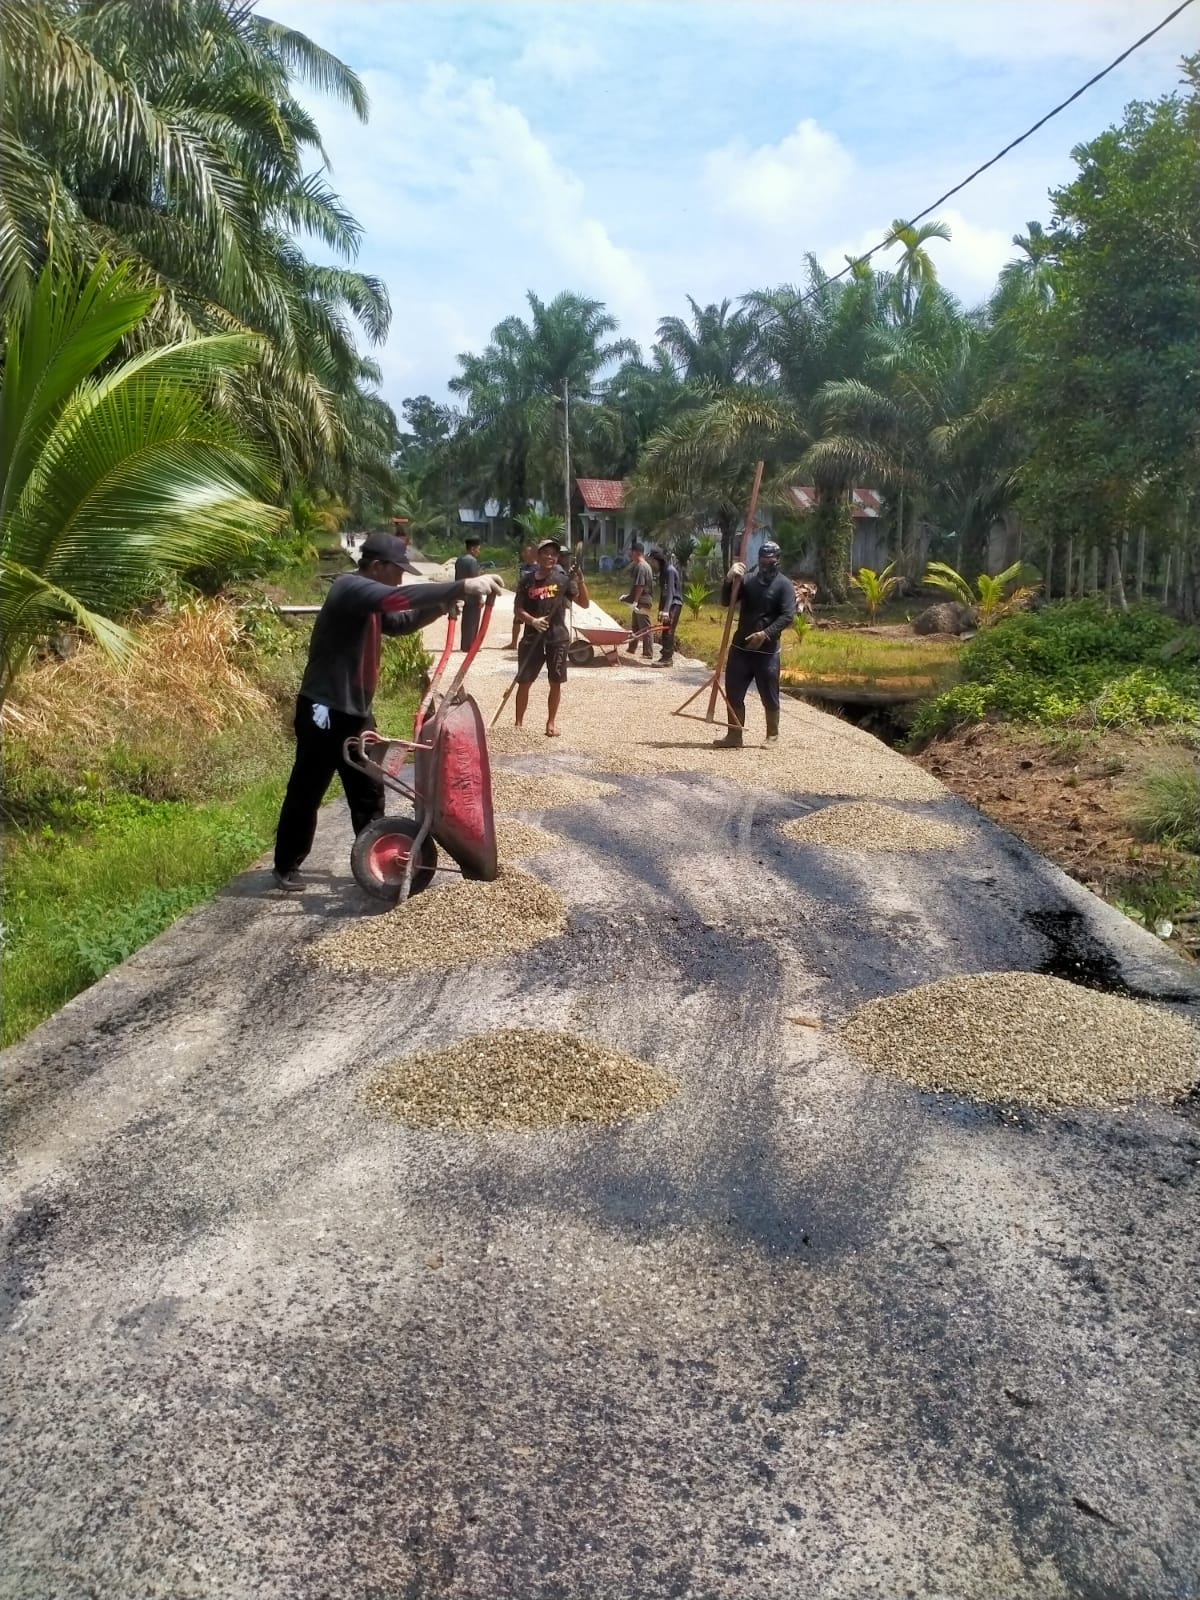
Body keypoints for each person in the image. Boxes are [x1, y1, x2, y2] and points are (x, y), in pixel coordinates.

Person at [271, 531, 503, 889]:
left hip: (355, 711)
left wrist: (439, 607)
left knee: (369, 787)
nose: (401, 577)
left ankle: (376, 859)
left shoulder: (370, 603)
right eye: (397, 570)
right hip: (324, 710)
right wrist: (461, 587)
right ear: (377, 566)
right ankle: (286, 865)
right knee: (307, 789)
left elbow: (399, 622)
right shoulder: (350, 588)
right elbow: (398, 598)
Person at [713, 538, 796, 748]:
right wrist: (729, 579)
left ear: (777, 560)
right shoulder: (748, 580)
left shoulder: (784, 585)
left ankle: (772, 735)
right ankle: (734, 734)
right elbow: (726, 601)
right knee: (733, 692)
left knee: (769, 693)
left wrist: (766, 634)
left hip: (766, 651)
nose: (765, 562)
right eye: (762, 558)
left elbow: (787, 616)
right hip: (741, 648)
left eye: (770, 558)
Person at [513, 537, 589, 737]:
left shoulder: (563, 580)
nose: (550, 557)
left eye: (554, 554)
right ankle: (518, 724)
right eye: (546, 553)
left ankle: (551, 723)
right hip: (532, 637)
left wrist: (580, 581)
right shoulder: (527, 581)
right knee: (524, 681)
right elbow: (518, 609)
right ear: (538, 556)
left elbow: (584, 603)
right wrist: (532, 621)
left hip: (557, 637)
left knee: (555, 681)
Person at [649, 547, 682, 667]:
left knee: (668, 630)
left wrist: (667, 610)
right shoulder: (663, 571)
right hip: (668, 604)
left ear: (657, 560)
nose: (652, 564)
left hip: (674, 604)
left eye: (652, 561)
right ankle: (665, 655)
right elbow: (664, 592)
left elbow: (670, 593)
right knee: (664, 630)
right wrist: (661, 610)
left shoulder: (670, 571)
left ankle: (668, 659)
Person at [623, 540, 655, 659]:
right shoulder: (644, 566)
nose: (631, 555)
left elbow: (640, 586)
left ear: (636, 552)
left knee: (645, 628)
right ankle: (632, 648)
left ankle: (648, 653)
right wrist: (628, 597)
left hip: (643, 601)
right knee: (635, 626)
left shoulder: (642, 567)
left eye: (631, 552)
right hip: (640, 600)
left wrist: (635, 601)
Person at [454, 535, 483, 651]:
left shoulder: (459, 560)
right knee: (473, 620)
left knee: (466, 620)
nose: (479, 551)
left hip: (462, 592)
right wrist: (480, 597)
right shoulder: (472, 561)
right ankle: (471, 645)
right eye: (478, 549)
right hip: (472, 595)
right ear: (472, 549)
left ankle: (464, 644)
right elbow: (475, 581)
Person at [509, 543, 537, 650]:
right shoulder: (523, 567)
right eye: (524, 551)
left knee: (531, 622)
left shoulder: (538, 567)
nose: (524, 554)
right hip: (522, 598)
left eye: (527, 551)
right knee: (516, 620)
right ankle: (513, 643)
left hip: (532, 598)